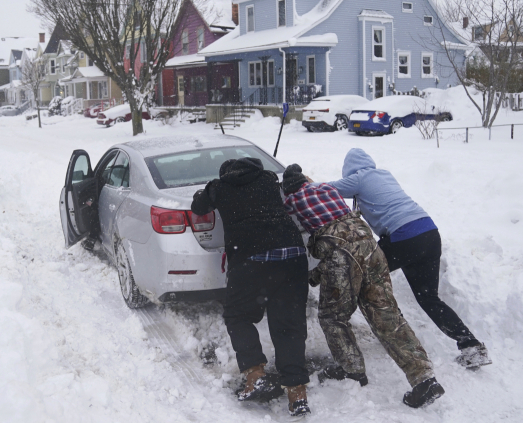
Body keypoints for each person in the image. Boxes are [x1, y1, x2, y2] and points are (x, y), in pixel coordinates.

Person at [282, 164, 444, 408]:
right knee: (386, 313)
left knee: (332, 316)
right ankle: (424, 378)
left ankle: (352, 370)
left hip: (342, 255)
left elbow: (283, 215)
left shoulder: (293, 200)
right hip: (371, 248)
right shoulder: (327, 189)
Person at [327, 148, 491, 370]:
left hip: (403, 236)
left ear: (349, 170)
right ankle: (470, 345)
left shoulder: (359, 178)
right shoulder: (384, 174)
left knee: (364, 275)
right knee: (429, 298)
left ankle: (396, 331)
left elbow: (328, 190)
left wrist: (304, 183)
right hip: (429, 233)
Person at [191, 158, 311, 417]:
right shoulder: (268, 179)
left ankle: (256, 374)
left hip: (252, 258)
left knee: (237, 316)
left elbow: (198, 207)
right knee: (289, 325)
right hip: (292, 254)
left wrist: (205, 193)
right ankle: (296, 392)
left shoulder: (218, 187)